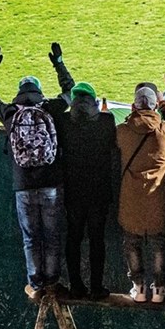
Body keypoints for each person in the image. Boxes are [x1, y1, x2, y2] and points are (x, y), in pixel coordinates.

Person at [0, 43, 73, 299]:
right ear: (39, 92)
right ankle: (53, 283)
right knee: (52, 236)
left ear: (20, 93)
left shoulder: (10, 113)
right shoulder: (49, 109)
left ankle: (37, 284)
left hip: (23, 186)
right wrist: (59, 63)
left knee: (31, 238)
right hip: (51, 183)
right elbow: (71, 92)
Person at [116, 82, 165, 303]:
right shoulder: (164, 132)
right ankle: (159, 289)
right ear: (155, 107)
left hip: (130, 200)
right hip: (157, 199)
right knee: (158, 244)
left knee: (132, 243)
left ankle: (138, 287)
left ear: (133, 107)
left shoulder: (123, 131)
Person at [55, 82, 119, 299]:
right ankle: (96, 287)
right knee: (96, 240)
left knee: (73, 238)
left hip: (73, 190)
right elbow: (112, 143)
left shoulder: (64, 120)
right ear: (94, 99)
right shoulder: (106, 120)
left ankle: (75, 285)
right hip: (99, 191)